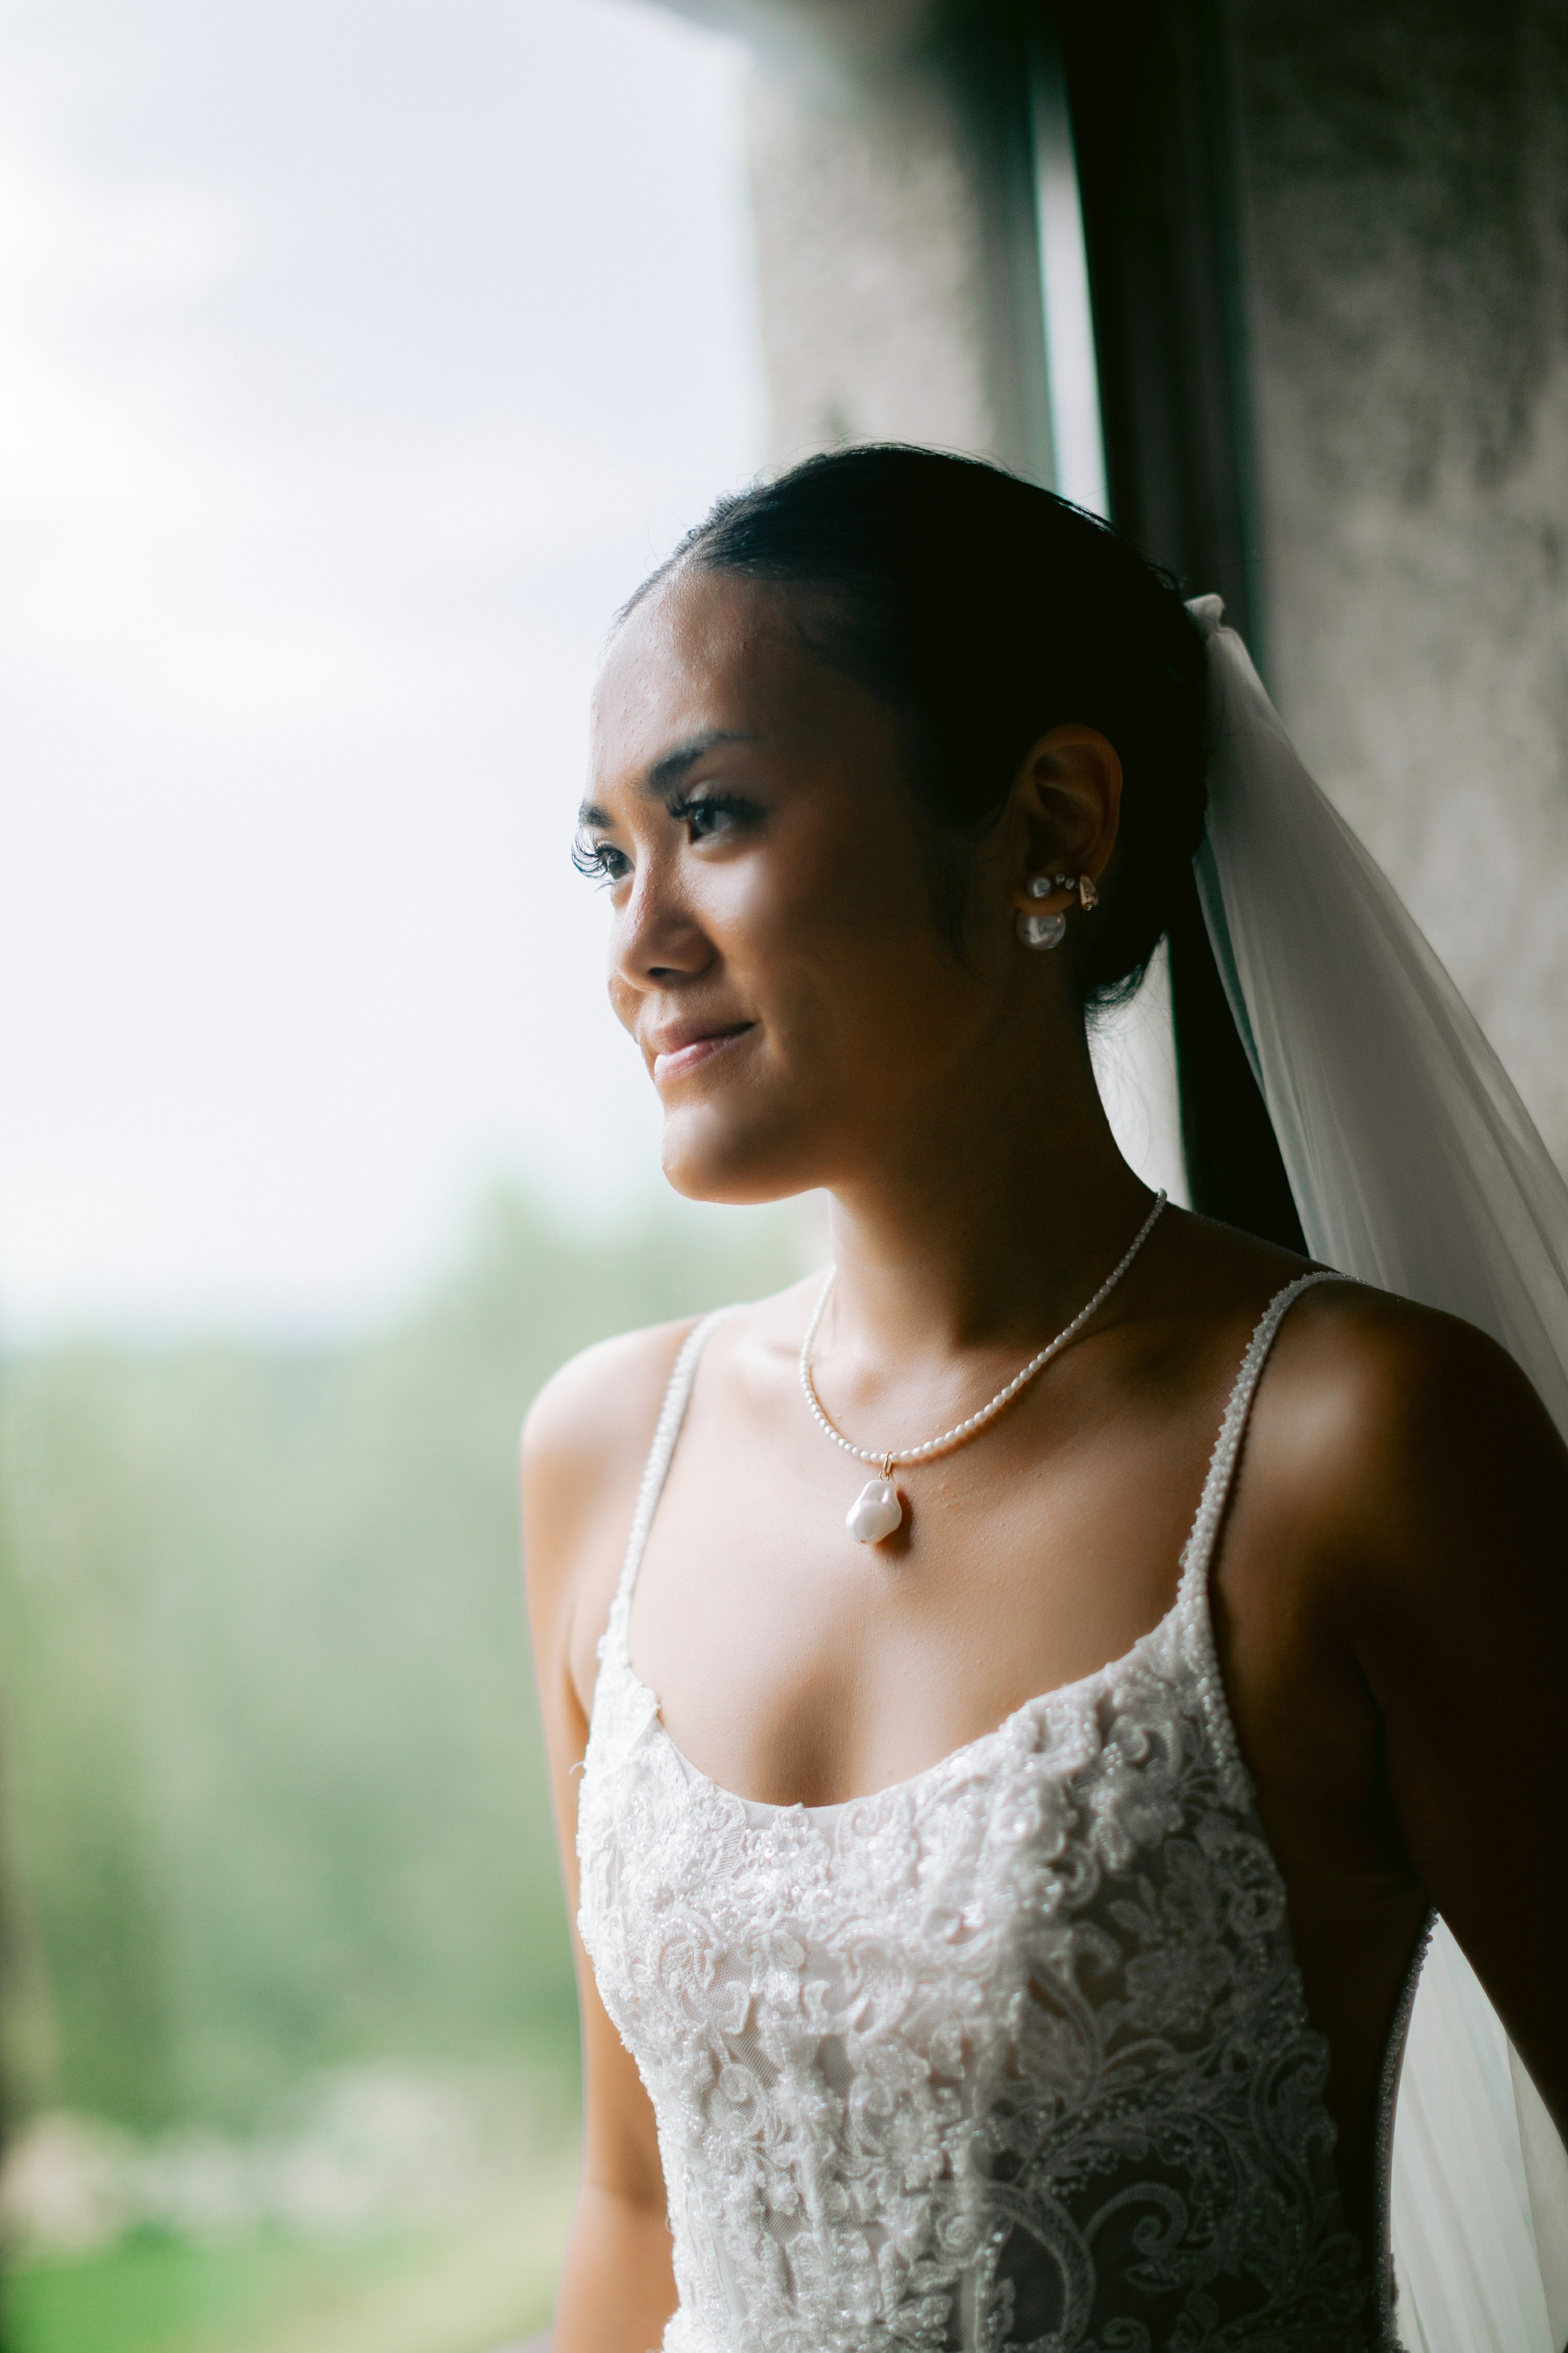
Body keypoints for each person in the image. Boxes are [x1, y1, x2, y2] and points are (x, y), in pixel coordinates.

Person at [521, 447, 1568, 2353]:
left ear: (1051, 821)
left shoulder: (1358, 1446)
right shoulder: (604, 1451)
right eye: (608, 852)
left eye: (717, 814)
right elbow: (634, 2195)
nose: (635, 941)